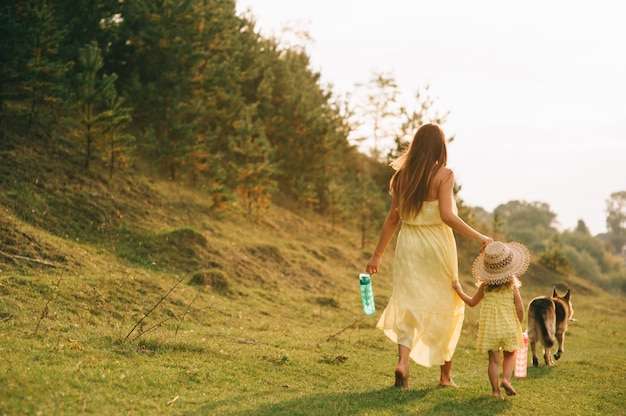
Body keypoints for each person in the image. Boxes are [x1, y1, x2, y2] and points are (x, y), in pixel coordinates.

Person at [365, 123, 492, 388]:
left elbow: (392, 220)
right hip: (437, 244)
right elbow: (447, 215)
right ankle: (445, 377)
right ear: (439, 147)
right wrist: (480, 236)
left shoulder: (401, 176)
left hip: (409, 245)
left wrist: (376, 256)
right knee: (449, 303)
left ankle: (403, 362)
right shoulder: (444, 174)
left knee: (408, 302)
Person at [452, 241, 529, 398]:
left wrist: (459, 290)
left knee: (493, 361)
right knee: (509, 355)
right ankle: (506, 379)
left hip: (490, 329)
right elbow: (520, 309)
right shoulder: (512, 287)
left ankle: (495, 391)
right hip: (509, 327)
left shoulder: (485, 287)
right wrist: (518, 324)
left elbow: (472, 303)